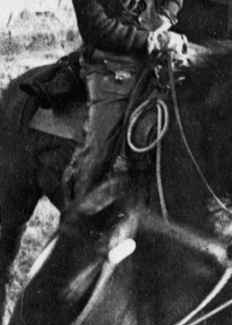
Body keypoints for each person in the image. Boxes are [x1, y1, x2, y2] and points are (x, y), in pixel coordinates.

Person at [65, 0, 189, 203]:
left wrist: (165, 16)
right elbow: (97, 28)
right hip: (111, 62)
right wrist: (150, 40)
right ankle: (79, 220)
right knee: (100, 150)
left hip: (160, 52)